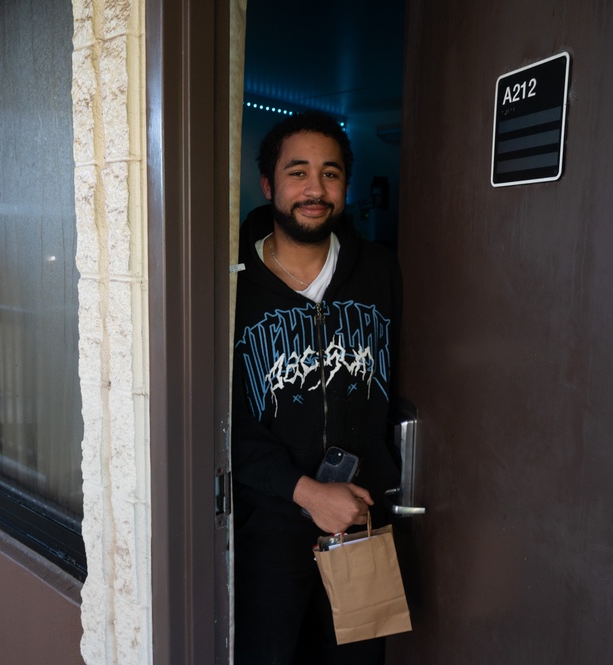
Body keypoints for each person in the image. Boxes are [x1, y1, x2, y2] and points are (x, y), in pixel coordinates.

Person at [231, 111, 403, 665]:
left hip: (359, 522)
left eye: (330, 174)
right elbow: (217, 421)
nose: (314, 189)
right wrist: (303, 491)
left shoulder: (380, 272)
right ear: (268, 185)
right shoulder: (228, 288)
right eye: (297, 172)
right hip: (268, 531)